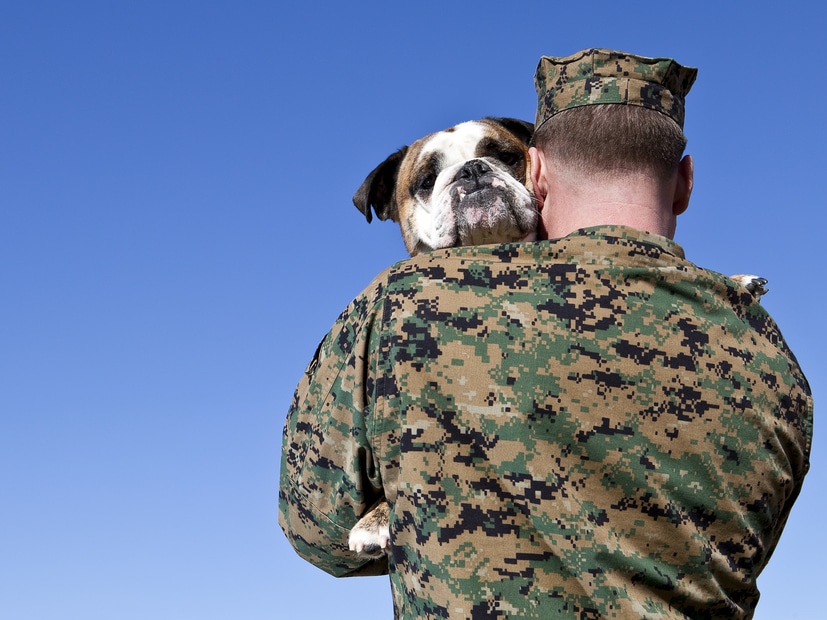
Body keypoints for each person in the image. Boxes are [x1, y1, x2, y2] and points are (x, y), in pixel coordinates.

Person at [279, 49, 813, 619]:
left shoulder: (394, 312)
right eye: (431, 179)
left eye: (498, 160)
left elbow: (314, 528)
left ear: (536, 172)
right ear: (684, 183)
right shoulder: (767, 356)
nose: (471, 180)